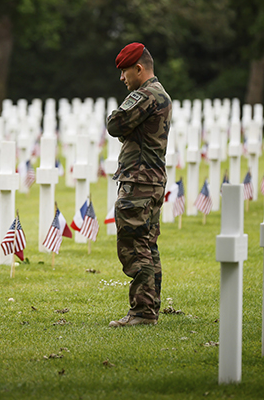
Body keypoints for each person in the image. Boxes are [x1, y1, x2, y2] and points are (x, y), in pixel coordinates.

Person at [106, 42, 172, 327]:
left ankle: (143, 312)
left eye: (124, 71)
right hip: (152, 180)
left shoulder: (145, 95)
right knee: (147, 243)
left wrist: (122, 125)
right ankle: (151, 308)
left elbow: (115, 124)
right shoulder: (160, 94)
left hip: (139, 181)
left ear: (139, 68)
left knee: (134, 245)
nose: (122, 78)